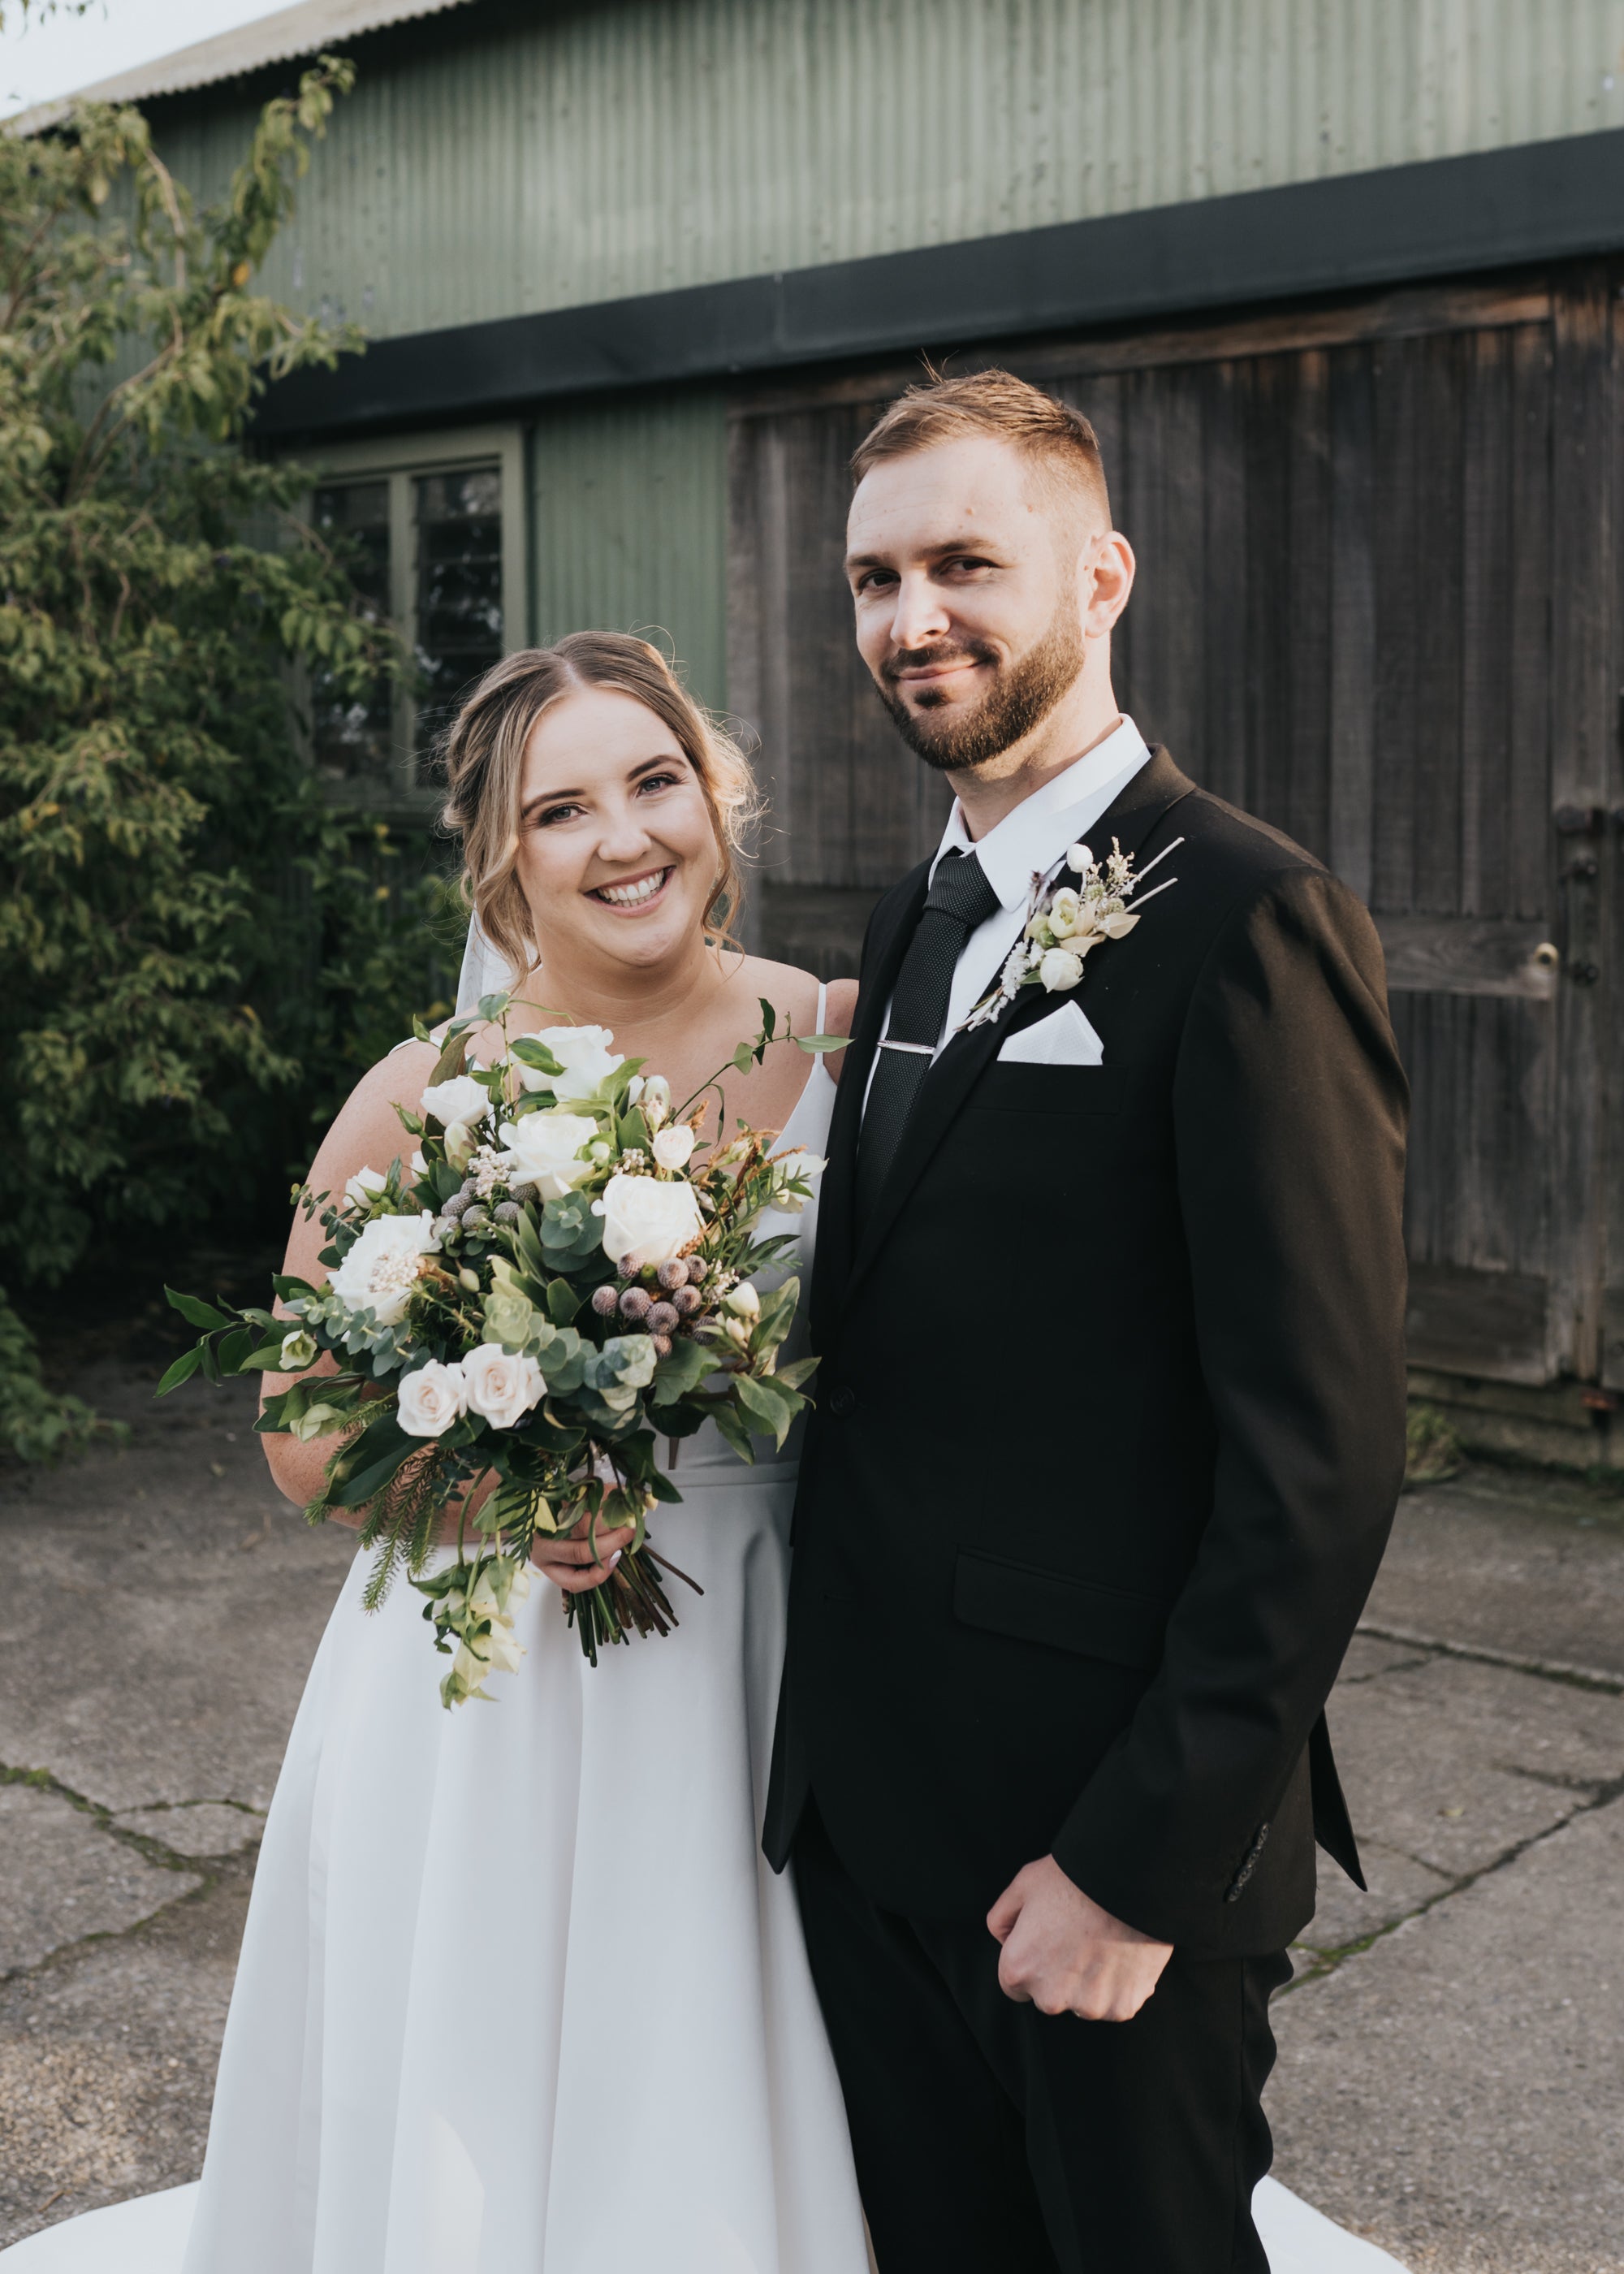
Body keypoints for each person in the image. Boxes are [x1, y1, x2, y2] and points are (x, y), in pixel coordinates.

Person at [0, 633, 870, 2274]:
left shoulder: (828, 1032)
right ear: (502, 862)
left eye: (655, 779)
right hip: (505, 1679)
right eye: (562, 809)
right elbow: (299, 1434)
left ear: (715, 798)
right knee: (492, 2084)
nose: (623, 837)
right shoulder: (426, 1092)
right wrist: (514, 1485)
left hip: (774, 1643)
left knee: (735, 2056)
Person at [764, 368, 1412, 2274]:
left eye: (965, 561)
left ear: (1101, 572)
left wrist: (1129, 1869)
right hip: (875, 1825)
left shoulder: (1249, 918)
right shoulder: (903, 921)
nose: (912, 618)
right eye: (875, 578)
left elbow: (1318, 1459)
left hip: (1099, 1845)